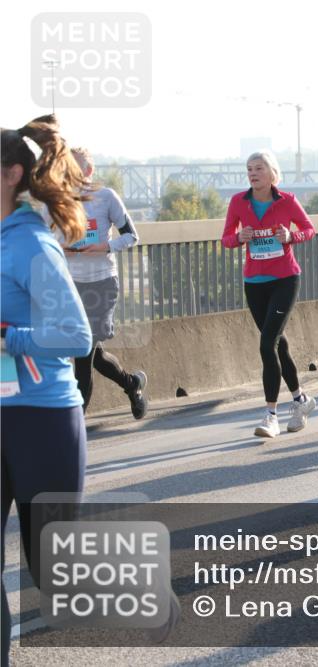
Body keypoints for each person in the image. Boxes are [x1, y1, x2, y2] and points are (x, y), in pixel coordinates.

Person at [1, 115, 93, 666]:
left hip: (40, 419)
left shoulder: (33, 244)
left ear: (12, 174)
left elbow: (75, 336)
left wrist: (10, 337)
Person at [221, 150, 316, 438]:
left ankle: (270, 415)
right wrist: (239, 238)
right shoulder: (239, 201)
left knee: (266, 344)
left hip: (285, 279)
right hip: (254, 282)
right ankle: (301, 401)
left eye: (259, 168)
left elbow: (310, 230)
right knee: (277, 344)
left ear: (272, 172)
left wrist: (291, 236)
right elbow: (226, 239)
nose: (253, 173)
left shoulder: (287, 201)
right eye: (249, 169)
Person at [48, 147, 148, 419]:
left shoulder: (105, 197)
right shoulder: (56, 202)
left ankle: (76, 422)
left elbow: (131, 236)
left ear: (89, 171)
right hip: (70, 287)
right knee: (93, 353)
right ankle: (132, 384)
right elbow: (44, 239)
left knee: (83, 354)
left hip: (102, 284)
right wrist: (60, 248)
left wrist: (106, 246)